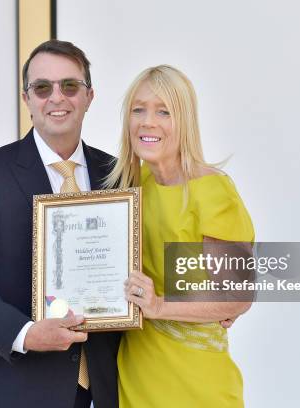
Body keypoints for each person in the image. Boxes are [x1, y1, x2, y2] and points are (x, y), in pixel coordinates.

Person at [0, 40, 120, 408]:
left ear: (89, 96)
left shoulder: (117, 174)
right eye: (42, 87)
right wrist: (25, 333)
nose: (57, 98)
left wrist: (218, 298)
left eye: (70, 86)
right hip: (13, 389)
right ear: (27, 98)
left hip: (105, 390)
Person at [105, 65, 255, 407]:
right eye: (138, 109)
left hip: (195, 380)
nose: (148, 121)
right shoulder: (132, 187)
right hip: (135, 376)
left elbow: (237, 296)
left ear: (184, 121)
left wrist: (158, 305)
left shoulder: (211, 191)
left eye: (164, 111)